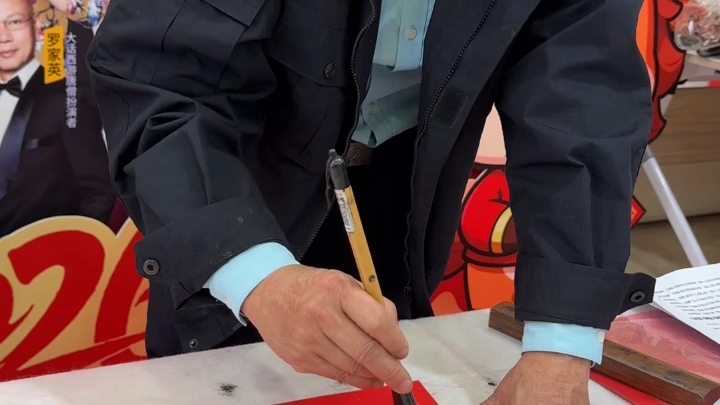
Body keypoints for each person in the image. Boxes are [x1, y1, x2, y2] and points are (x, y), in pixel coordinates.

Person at [87, 0, 656, 403]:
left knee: (388, 357)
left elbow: (581, 99)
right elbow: (162, 79)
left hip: (406, 196)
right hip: (230, 194)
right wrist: (254, 275)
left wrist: (561, 346)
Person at [0, 0, 114, 238]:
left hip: (47, 259)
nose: (3, 37)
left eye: (14, 23)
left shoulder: (67, 98)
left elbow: (98, 194)